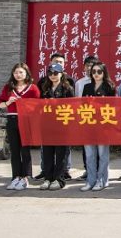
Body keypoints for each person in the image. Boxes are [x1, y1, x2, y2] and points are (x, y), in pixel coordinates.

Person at [0, 63, 40, 191]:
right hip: (12, 119)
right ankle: (15, 177)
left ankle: (25, 177)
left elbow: (37, 105)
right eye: (16, 72)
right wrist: (8, 102)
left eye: (21, 72)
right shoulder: (8, 87)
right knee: (14, 150)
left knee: (25, 150)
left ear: (26, 73)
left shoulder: (33, 88)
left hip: (26, 121)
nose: (18, 75)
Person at [34, 52, 75, 182]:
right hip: (47, 124)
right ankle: (48, 177)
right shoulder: (44, 86)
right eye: (50, 73)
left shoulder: (68, 87)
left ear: (61, 73)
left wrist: (56, 103)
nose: (53, 75)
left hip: (62, 123)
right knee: (47, 152)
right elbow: (37, 104)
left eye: (56, 73)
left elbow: (72, 105)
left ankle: (59, 178)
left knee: (62, 153)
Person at [80, 61, 115, 192]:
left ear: (104, 73)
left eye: (99, 71)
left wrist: (97, 104)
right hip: (89, 124)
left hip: (103, 125)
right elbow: (82, 105)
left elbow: (113, 107)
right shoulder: (87, 87)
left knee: (102, 154)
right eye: (93, 71)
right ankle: (91, 180)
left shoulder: (109, 87)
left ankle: (102, 180)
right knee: (90, 155)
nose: (96, 74)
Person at [72, 55, 98, 182]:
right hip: (84, 118)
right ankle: (88, 170)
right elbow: (77, 101)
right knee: (85, 147)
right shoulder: (79, 83)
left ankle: (98, 171)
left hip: (98, 120)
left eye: (91, 66)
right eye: (87, 66)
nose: (89, 68)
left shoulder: (101, 81)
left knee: (98, 147)